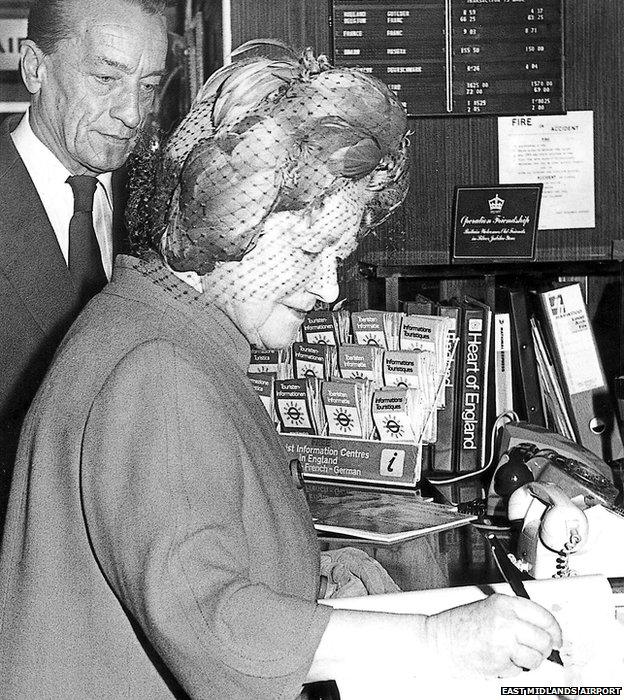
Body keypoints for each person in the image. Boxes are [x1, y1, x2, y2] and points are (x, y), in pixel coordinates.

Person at [0, 42, 562, 699]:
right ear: (228, 214)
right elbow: (217, 627)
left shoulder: (168, 331)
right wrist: (442, 640)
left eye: (341, 253)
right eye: (309, 248)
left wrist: (331, 586)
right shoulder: (158, 372)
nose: (328, 286)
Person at [0, 0, 168, 535]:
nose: (133, 114)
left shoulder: (154, 209)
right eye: (106, 78)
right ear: (34, 69)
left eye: (148, 87)